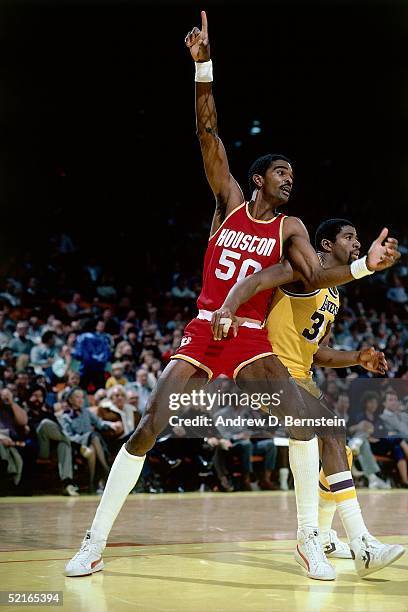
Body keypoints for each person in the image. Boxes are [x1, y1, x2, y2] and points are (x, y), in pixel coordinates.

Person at [65, 12, 401, 579]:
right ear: (258, 179)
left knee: (311, 424)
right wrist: (204, 70)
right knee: (150, 422)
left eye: (294, 173)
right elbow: (208, 134)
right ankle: (93, 542)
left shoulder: (291, 227)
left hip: (250, 339)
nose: (290, 179)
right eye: (281, 172)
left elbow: (313, 279)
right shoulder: (227, 201)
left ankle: (308, 541)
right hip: (203, 330)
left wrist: (366, 264)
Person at [211, 217, 404, 575]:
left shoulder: (334, 294)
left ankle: (328, 537)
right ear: (326, 245)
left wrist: (357, 358)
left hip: (303, 376)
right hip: (270, 373)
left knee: (339, 451)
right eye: (349, 237)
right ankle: (359, 541)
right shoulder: (303, 273)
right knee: (331, 433)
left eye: (357, 237)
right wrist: (228, 308)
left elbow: (319, 353)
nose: (356, 243)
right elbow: (253, 280)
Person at [61, 388, 120, 493]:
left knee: (92, 447)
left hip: (92, 444)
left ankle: (91, 482)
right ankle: (106, 470)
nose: (81, 400)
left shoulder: (86, 411)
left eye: (82, 397)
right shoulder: (65, 416)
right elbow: (68, 437)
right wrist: (83, 438)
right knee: (93, 436)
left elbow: (99, 423)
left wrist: (112, 424)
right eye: (77, 397)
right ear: (70, 400)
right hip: (78, 446)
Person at [26, 384, 78, 496]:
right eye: (34, 395)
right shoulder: (26, 415)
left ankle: (67, 483)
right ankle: (76, 445)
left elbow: (59, 430)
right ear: (29, 397)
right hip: (39, 448)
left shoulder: (48, 414)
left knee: (64, 444)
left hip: (53, 448)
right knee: (45, 424)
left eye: (40, 396)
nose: (37, 399)